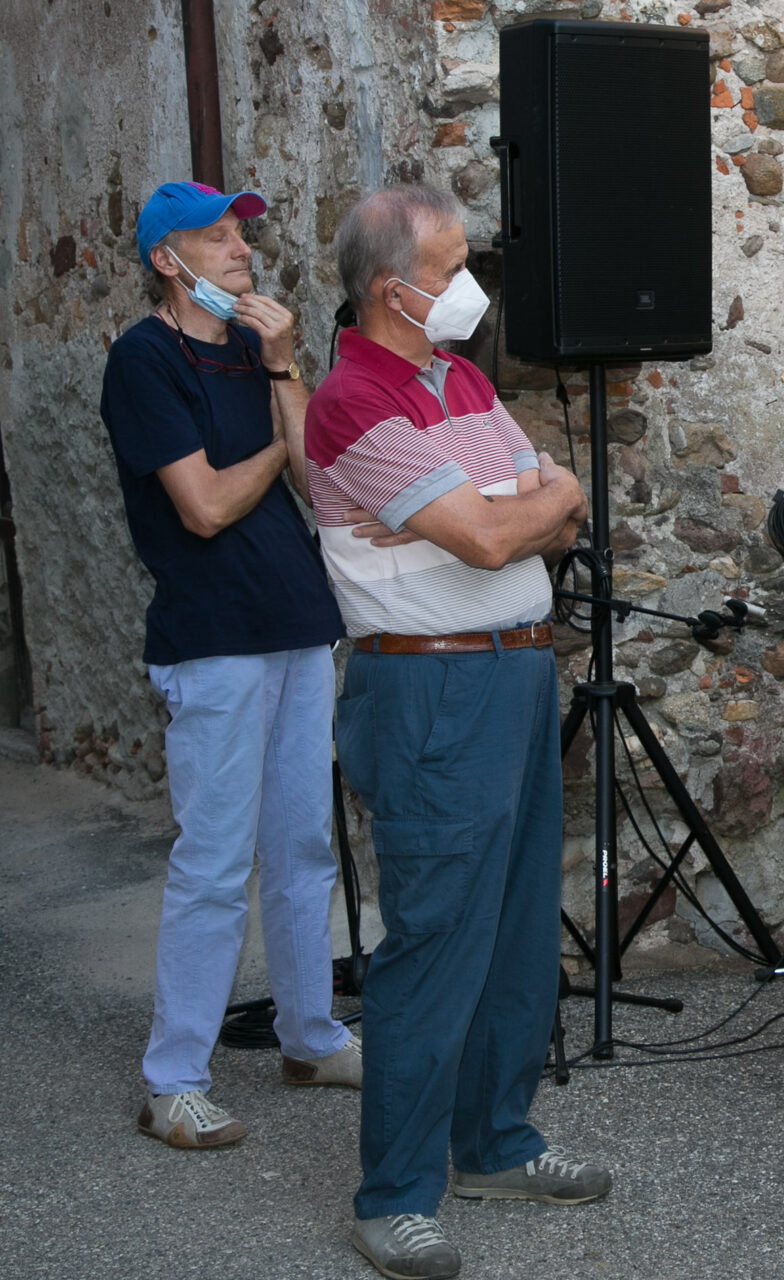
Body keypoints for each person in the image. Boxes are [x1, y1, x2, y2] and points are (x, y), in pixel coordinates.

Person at [304, 184, 600, 1280]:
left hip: (513, 671)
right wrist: (518, 507)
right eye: (454, 265)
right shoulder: (350, 399)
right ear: (394, 291)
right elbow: (489, 535)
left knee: (518, 928)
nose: (472, 283)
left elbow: (557, 509)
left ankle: (495, 1144)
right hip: (429, 685)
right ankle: (393, 1196)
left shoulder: (462, 378)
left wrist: (529, 504)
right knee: (434, 942)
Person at [101, 181, 359, 1150]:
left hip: (296, 620)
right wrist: (272, 445)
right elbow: (204, 506)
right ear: (167, 260)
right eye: (216, 237)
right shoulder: (142, 360)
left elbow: (317, 481)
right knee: (213, 862)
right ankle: (173, 1081)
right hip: (211, 636)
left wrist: (286, 369)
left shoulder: (259, 351)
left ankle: (309, 1037)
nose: (242, 249)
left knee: (302, 849)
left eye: (243, 232)